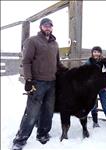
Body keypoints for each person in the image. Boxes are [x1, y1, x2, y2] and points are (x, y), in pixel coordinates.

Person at [11, 18, 67, 150]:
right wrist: (28, 80)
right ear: (41, 27)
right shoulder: (32, 41)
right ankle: (20, 139)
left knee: (48, 111)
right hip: (37, 82)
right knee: (31, 112)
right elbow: (26, 61)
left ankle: (43, 134)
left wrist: (68, 71)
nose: (48, 28)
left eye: (50, 26)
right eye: (45, 25)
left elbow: (57, 63)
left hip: (51, 83)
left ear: (52, 28)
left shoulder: (55, 44)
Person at [85, 46, 106, 128]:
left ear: (100, 53)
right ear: (92, 53)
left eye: (98, 52)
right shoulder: (88, 62)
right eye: (94, 52)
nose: (96, 53)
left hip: (102, 88)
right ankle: (95, 122)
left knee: (105, 105)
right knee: (93, 106)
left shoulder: (104, 61)